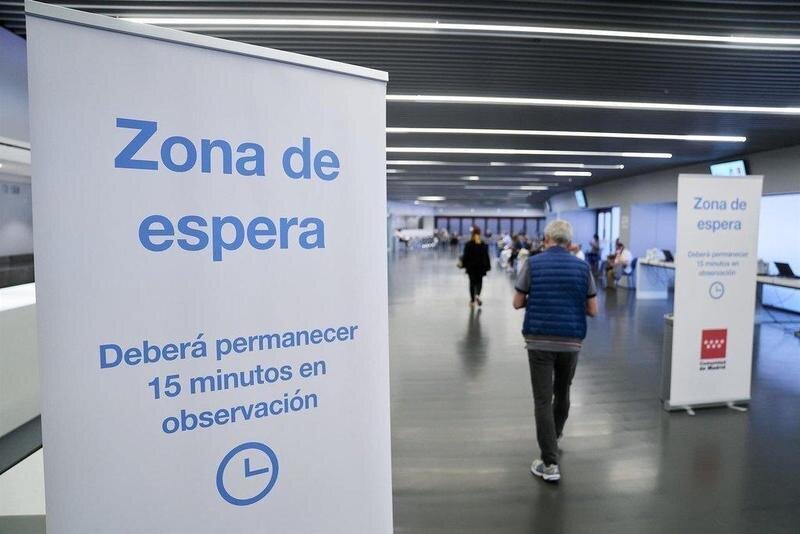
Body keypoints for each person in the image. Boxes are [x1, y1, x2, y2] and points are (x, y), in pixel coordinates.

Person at [512, 220, 597, 482]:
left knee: (542, 399)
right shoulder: (583, 268)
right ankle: (555, 435)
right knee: (563, 392)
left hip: (539, 341)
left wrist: (538, 298)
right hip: (570, 342)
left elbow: (517, 302)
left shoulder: (533, 263)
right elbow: (593, 310)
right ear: (569, 241)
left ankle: (549, 463)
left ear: (547, 238)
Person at [460, 227, 491, 306]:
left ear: (472, 233)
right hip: (480, 267)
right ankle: (477, 295)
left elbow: (465, 256)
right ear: (480, 233)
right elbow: (486, 256)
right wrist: (488, 266)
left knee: (472, 283)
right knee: (479, 282)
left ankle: (472, 300)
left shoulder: (468, 244)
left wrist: (463, 264)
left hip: (471, 268)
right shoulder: (482, 244)